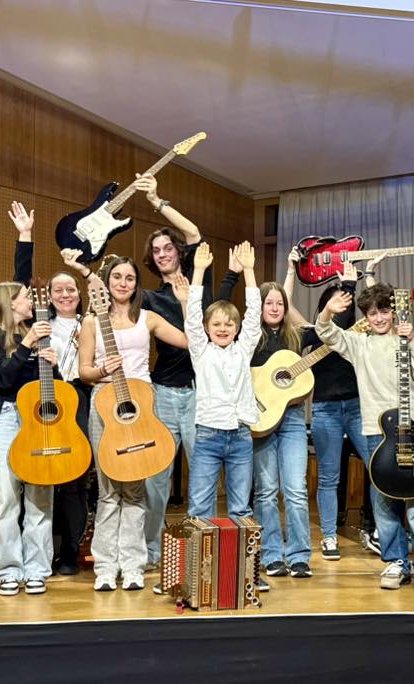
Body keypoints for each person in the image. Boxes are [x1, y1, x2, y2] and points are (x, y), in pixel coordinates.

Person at [317, 283, 414, 593]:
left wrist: (413, 340)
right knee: (382, 499)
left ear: (394, 312)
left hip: (411, 427)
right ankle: (395, 560)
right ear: (366, 317)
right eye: (373, 313)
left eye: (384, 311)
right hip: (375, 431)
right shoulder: (360, 344)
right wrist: (329, 311)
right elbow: (328, 334)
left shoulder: (406, 339)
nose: (379, 318)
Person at [79, 256, 189, 592]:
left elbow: (189, 341)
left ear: (136, 284)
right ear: (106, 283)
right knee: (109, 491)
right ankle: (105, 567)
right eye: (117, 277)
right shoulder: (92, 323)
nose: (123, 283)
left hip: (141, 405)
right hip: (105, 405)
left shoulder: (149, 318)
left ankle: (133, 565)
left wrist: (185, 305)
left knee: (137, 491)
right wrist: (102, 370)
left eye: (129, 278)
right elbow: (84, 370)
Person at [218, 246, 314, 578]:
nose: (274, 307)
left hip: (289, 421)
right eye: (268, 302)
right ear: (259, 307)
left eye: (279, 303)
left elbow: (332, 331)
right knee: (266, 490)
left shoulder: (297, 337)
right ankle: (273, 553)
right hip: (258, 420)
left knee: (297, 490)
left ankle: (300, 554)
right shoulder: (247, 336)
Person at [136, 175, 213, 570]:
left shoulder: (201, 280)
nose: (164, 253)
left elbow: (195, 231)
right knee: (156, 477)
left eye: (168, 247)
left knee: (203, 472)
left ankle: (205, 548)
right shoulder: (149, 298)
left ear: (179, 252)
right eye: (157, 250)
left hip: (201, 391)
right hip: (164, 391)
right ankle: (150, 551)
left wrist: (155, 200)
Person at [13, 202, 92, 576]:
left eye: (70, 290)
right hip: (49, 397)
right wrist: (25, 237)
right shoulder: (39, 319)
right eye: (57, 289)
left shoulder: (90, 322)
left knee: (76, 478)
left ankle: (70, 550)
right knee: (44, 475)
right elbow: (19, 280)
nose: (64, 294)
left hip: (82, 397)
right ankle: (41, 548)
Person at [0, 282, 53, 596]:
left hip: (37, 419)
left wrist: (50, 368)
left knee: (40, 497)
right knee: (5, 498)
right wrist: (26, 346)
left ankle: (37, 570)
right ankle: (8, 570)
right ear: (10, 303)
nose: (31, 302)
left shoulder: (35, 333)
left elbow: (43, 387)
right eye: (26, 298)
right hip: (4, 417)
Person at [300, 259, 376, 560]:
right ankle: (329, 537)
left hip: (358, 407)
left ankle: (378, 530)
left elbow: (347, 323)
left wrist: (359, 280)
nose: (341, 308)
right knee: (329, 477)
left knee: (378, 468)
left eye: (345, 304)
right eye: (335, 304)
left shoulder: (359, 332)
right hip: (325, 411)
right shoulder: (312, 332)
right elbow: (327, 326)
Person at [182, 242, 260, 530]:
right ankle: (199, 574)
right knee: (200, 507)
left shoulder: (243, 350)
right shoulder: (201, 351)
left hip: (240, 436)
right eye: (217, 324)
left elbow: (254, 313)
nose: (223, 328)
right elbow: (192, 315)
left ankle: (243, 575)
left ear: (237, 329)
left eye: (229, 324)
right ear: (207, 328)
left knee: (241, 508)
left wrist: (249, 271)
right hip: (208, 436)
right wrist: (199, 271)